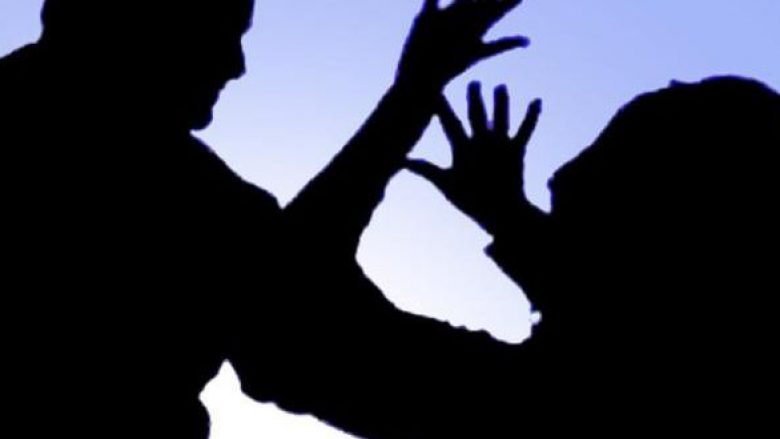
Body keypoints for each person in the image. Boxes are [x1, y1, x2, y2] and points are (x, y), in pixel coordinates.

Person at [0, 0, 549, 437]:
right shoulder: (200, 209)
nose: (236, 65)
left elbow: (303, 327)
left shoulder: (203, 203)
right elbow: (318, 341)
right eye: (221, 31)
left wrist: (412, 99)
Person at [408, 76, 780, 434]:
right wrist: (509, 215)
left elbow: (370, 350)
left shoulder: (538, 397)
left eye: (609, 157)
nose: (558, 177)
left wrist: (408, 97)